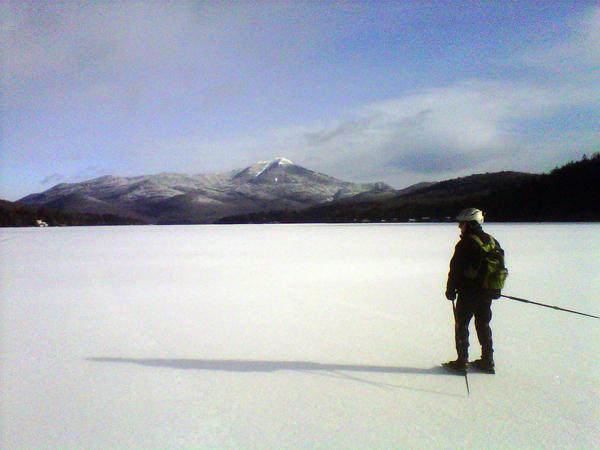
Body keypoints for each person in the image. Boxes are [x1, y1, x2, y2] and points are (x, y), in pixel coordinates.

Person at [444, 208, 502, 373]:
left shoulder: (465, 243)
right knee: (483, 324)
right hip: (486, 292)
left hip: (468, 293)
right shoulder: (491, 241)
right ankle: (487, 360)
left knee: (461, 325)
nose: (459, 227)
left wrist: (450, 289)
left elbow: (455, 269)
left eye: (461, 223)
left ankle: (462, 361)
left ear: (469, 224)